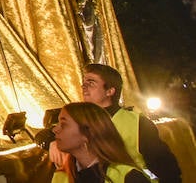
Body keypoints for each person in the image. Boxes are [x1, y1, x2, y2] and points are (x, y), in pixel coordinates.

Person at [39, 64, 180, 182]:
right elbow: (44, 135)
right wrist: (51, 141)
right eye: (84, 83)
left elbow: (166, 167)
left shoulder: (137, 123)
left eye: (91, 83)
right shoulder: (78, 119)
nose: (84, 87)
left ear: (110, 91)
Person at [52, 101, 152, 183]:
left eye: (63, 124)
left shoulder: (127, 177)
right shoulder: (60, 177)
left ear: (87, 133)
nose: (55, 129)